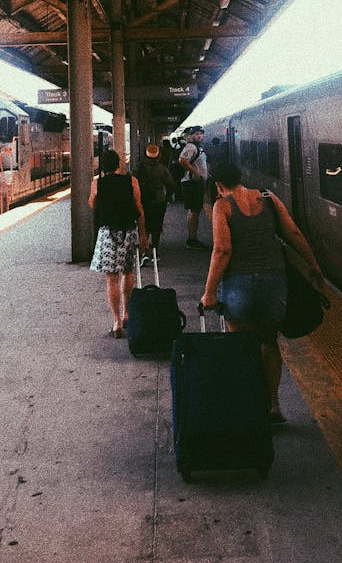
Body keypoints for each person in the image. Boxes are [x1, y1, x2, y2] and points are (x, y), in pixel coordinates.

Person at [199, 159, 324, 423]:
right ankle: (273, 406)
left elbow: (222, 250)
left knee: (243, 347)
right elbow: (293, 232)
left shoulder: (223, 206)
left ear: (219, 184)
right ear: (241, 177)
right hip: (274, 283)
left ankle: (249, 406)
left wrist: (209, 292)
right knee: (268, 341)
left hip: (238, 286)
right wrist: (313, 265)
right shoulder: (268, 198)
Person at [89, 150, 148, 338]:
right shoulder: (132, 181)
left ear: (103, 167)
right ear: (118, 165)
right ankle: (127, 314)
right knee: (128, 272)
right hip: (128, 231)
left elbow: (92, 204)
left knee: (111, 278)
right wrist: (144, 235)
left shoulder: (97, 183)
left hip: (108, 233)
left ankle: (116, 322)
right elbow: (139, 208)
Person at [135, 143, 174, 265]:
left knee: (144, 226)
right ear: (158, 156)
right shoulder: (162, 169)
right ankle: (155, 252)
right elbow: (171, 185)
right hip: (159, 200)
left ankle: (145, 252)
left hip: (143, 200)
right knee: (157, 226)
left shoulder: (140, 168)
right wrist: (167, 197)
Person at [179, 126, 210, 250]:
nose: (199, 136)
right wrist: (196, 172)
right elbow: (182, 160)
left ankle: (192, 238)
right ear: (191, 136)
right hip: (192, 183)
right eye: (196, 134)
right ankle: (192, 240)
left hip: (195, 183)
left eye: (201, 134)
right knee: (194, 211)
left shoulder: (198, 148)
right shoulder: (191, 147)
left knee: (194, 211)